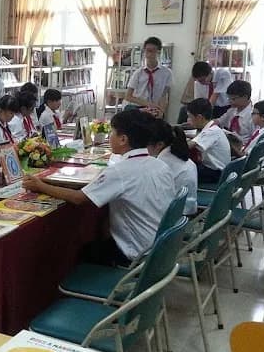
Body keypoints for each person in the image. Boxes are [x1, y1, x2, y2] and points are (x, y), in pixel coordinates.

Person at [23, 109, 175, 266]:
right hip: (161, 247)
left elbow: (79, 198)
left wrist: (40, 186)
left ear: (123, 139)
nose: (109, 137)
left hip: (136, 252)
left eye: (112, 133)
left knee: (73, 251)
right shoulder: (160, 165)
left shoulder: (121, 171)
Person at [148, 119, 198, 216]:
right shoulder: (176, 154)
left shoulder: (162, 164)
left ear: (159, 144)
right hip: (186, 211)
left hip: (174, 216)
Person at [186, 98, 231, 183]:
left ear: (199, 117)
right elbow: (199, 137)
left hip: (215, 174)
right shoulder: (213, 129)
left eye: (189, 116)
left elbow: (187, 146)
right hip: (216, 171)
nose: (187, 120)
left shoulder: (211, 132)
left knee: (183, 171)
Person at [124, 36, 172, 116]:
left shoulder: (167, 73)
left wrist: (161, 111)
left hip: (154, 109)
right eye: (147, 50)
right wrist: (148, 104)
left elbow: (164, 95)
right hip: (137, 107)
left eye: (153, 51)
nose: (149, 54)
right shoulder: (138, 73)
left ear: (159, 52)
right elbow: (128, 96)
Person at [216, 80, 255, 154]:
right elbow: (219, 121)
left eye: (233, 99)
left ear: (245, 97)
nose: (230, 101)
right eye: (229, 98)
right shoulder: (232, 110)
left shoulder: (253, 116)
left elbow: (254, 139)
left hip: (242, 150)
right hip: (228, 145)